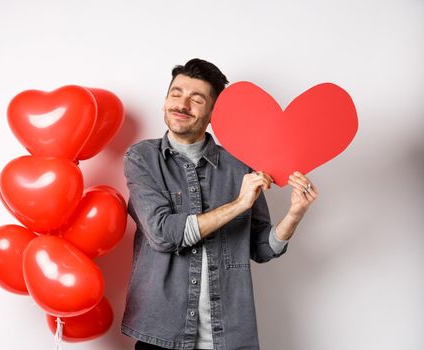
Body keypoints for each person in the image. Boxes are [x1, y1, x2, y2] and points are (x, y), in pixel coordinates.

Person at [121, 58, 318, 350]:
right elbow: (163, 234)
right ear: (165, 101)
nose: (182, 104)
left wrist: (294, 214)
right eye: (176, 93)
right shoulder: (142, 159)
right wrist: (239, 204)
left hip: (227, 337)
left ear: (213, 113)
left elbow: (261, 248)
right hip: (161, 335)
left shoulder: (240, 165)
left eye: (196, 99)